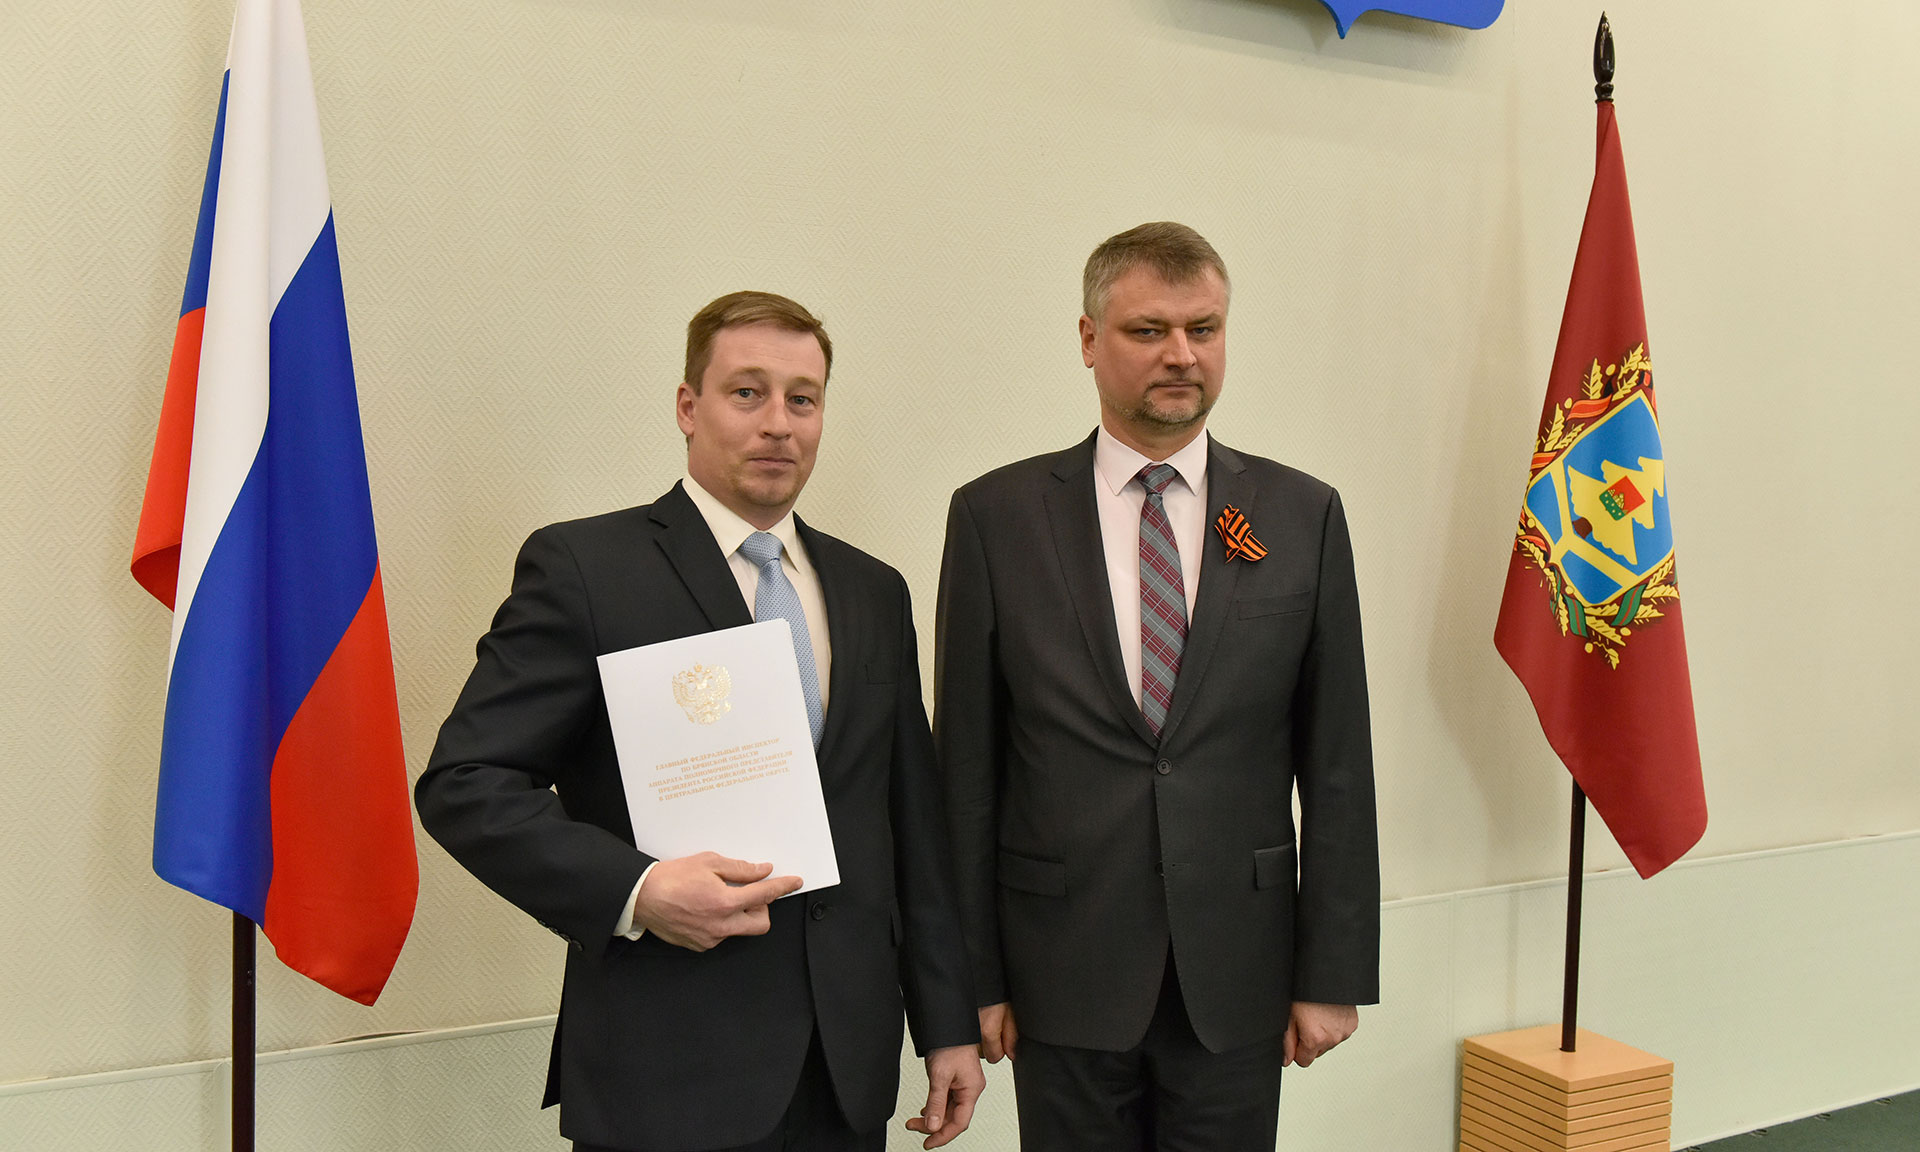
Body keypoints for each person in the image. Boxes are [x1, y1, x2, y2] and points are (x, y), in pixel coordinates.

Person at [417, 291, 983, 1152]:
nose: (779, 423)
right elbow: (465, 784)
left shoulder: (873, 590)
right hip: (665, 1068)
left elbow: (912, 823)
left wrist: (946, 1023)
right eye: (747, 393)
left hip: (843, 1071)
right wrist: (636, 891)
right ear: (689, 406)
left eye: (803, 398)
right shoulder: (586, 569)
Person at [933, 223, 1380, 1149]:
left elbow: (1339, 765)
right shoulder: (995, 518)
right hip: (1060, 971)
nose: (1181, 354)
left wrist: (1332, 972)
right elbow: (966, 774)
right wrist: (973, 978)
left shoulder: (1302, 515)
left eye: (1203, 329)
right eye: (1148, 331)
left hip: (1239, 972)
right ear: (1089, 339)